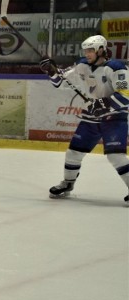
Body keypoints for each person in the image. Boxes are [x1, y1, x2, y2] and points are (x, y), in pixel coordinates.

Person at [40, 35, 129, 204]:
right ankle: (67, 183)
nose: (87, 54)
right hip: (90, 118)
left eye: (90, 50)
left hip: (114, 118)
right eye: (85, 50)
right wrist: (51, 71)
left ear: (101, 50)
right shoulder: (82, 65)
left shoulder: (116, 67)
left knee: (116, 156)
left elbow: (126, 95)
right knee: (73, 153)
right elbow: (60, 81)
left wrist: (102, 103)